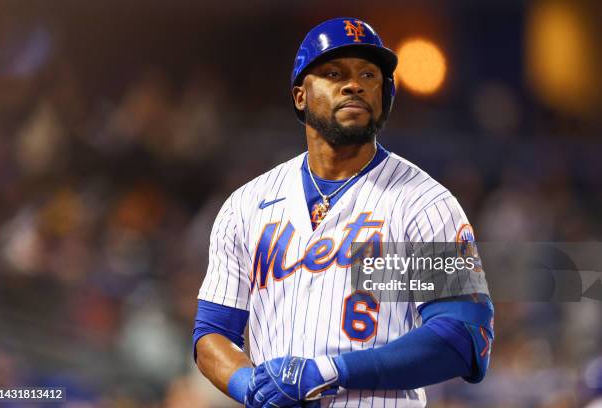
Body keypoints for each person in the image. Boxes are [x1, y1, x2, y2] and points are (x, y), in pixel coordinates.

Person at [193, 17, 494, 408]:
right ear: (300, 96)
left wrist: (332, 371)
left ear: (385, 95)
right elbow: (211, 335)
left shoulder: (424, 202)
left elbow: (463, 335)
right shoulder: (246, 206)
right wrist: (252, 386)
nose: (354, 84)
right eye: (334, 73)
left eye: (369, 74)